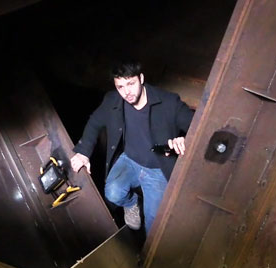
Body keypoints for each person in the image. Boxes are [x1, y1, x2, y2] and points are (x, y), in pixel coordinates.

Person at [70, 60, 194, 234]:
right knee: (113, 193)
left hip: (158, 169)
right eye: (120, 87)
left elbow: (199, 126)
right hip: (129, 160)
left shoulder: (169, 102)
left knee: (153, 224)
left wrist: (186, 140)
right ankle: (132, 203)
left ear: (141, 78)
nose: (126, 92)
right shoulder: (112, 100)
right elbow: (94, 122)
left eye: (130, 83)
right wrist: (83, 152)